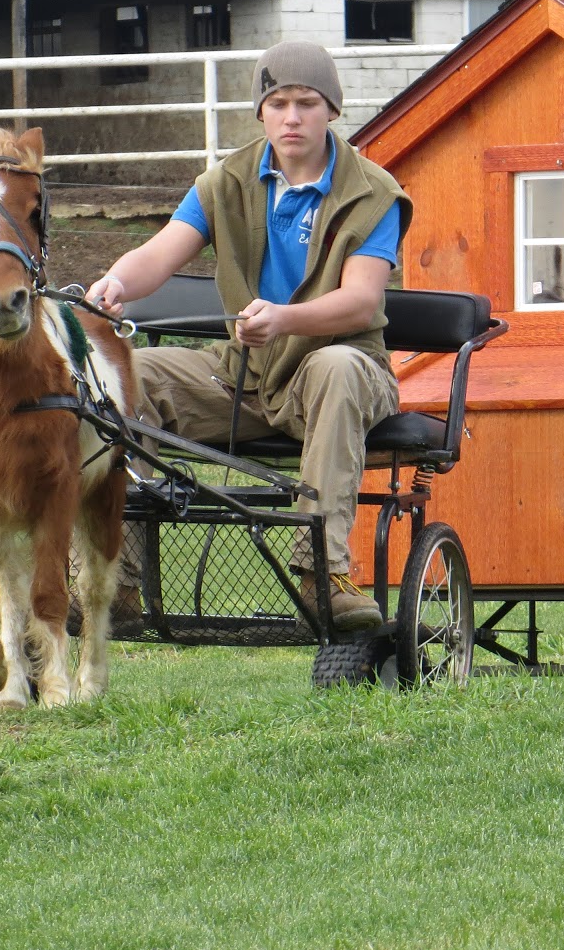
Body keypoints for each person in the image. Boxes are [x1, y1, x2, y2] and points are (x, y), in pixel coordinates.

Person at [86, 42, 412, 633]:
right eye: (278, 102)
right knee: (125, 374)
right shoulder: (225, 182)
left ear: (331, 110)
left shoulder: (373, 192)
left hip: (340, 366)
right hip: (245, 372)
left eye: (307, 103)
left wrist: (283, 320)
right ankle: (117, 582)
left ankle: (322, 575)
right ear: (261, 111)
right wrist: (113, 284)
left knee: (336, 368)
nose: (292, 117)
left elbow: (362, 299)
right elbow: (160, 254)